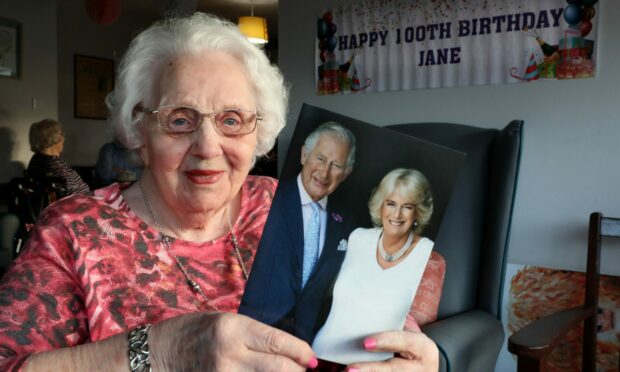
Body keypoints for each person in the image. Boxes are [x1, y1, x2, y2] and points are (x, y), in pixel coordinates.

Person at [0, 14, 438, 372]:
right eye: (179, 119)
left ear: (258, 133)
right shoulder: (75, 231)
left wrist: (419, 359)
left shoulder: (289, 205)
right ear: (139, 131)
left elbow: (374, 317)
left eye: (231, 119)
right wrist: (160, 351)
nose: (208, 147)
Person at [239, 122, 358, 346]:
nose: (324, 172)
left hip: (305, 343)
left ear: (346, 173)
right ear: (304, 154)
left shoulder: (347, 224)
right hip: (251, 333)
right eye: (320, 159)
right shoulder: (265, 197)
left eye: (336, 165)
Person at [312, 168, 443, 366]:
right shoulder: (357, 237)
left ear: (418, 212)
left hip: (374, 366)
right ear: (380, 206)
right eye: (391, 203)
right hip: (320, 354)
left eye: (407, 206)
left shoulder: (427, 255)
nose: (397, 214)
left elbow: (418, 335)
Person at [26, 118, 90, 198]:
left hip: (84, 202)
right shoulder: (49, 163)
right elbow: (68, 194)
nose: (64, 138)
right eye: (61, 134)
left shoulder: (53, 161)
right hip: (75, 206)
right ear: (51, 138)